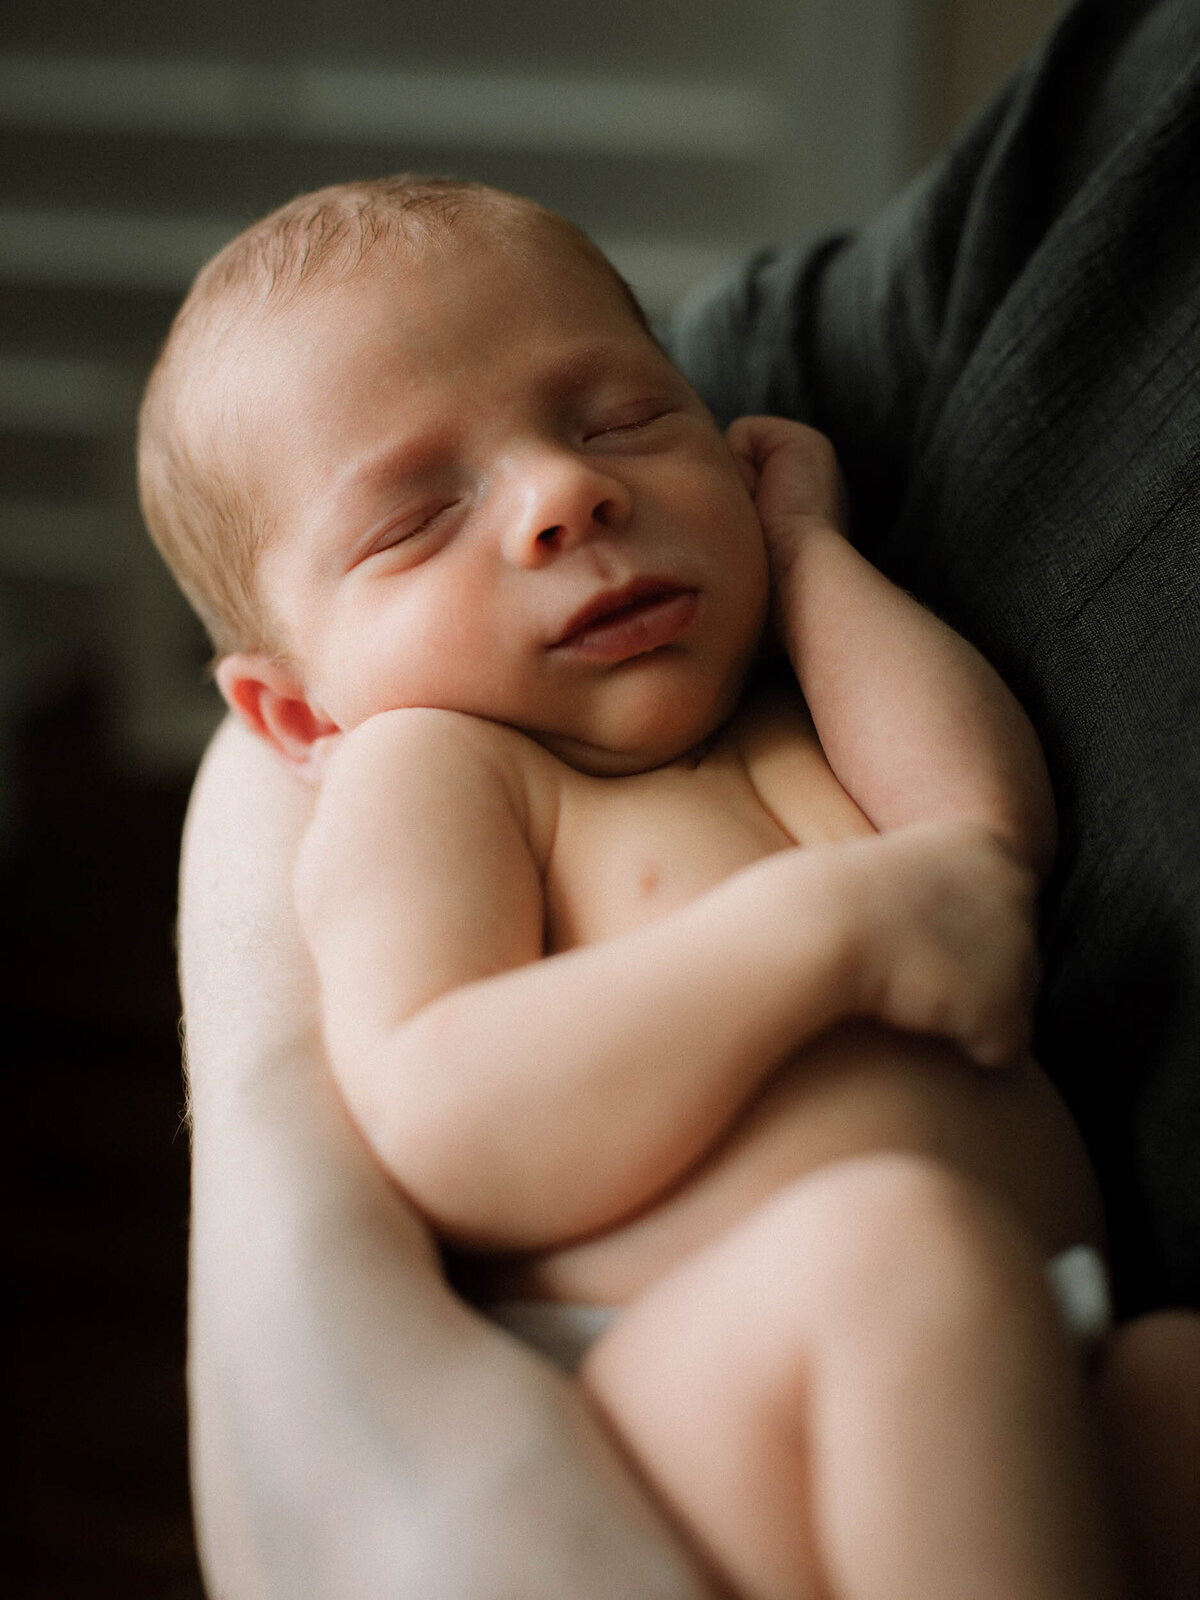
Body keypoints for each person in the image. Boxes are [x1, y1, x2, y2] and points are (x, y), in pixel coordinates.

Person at [170, 1, 1200, 1595]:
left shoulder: (775, 700)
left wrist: (804, 559)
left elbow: (983, 838)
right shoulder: (440, 770)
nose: (563, 494)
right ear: (294, 708)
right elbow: (444, 1107)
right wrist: (820, 935)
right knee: (897, 1252)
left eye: (620, 419)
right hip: (686, 1393)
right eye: (418, 517)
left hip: (1024, 1354)